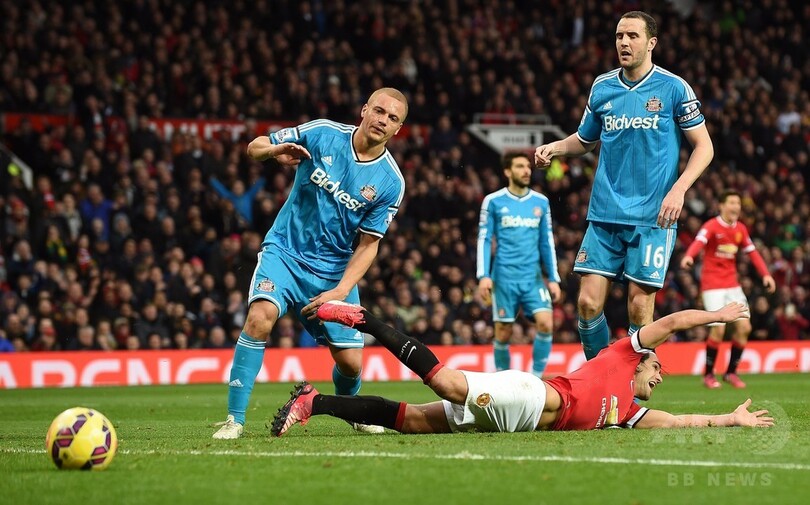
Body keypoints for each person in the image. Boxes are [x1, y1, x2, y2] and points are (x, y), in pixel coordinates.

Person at [213, 87, 409, 439]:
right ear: (364, 109)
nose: (383, 120)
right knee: (259, 318)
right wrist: (274, 151)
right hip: (285, 251)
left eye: (392, 118)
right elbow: (255, 146)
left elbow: (369, 245)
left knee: (350, 363)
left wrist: (341, 290)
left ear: (398, 129)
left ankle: (351, 410)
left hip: (332, 270)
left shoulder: (391, 182)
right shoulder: (323, 132)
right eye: (379, 111)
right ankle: (234, 419)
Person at [271, 300, 772, 436]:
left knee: (411, 421)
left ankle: (314, 402)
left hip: (515, 423)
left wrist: (730, 419)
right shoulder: (621, 355)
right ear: (641, 360)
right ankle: (366, 320)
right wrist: (719, 315)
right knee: (446, 383)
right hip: (531, 396)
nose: (659, 377)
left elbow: (682, 420)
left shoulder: (628, 414)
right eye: (657, 368)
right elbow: (673, 322)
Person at [534, 11, 714, 360]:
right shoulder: (602, 87)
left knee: (639, 309)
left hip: (653, 217)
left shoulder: (674, 88)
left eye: (632, 36)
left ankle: (633, 382)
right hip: (605, 212)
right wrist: (556, 148)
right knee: (587, 304)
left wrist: (678, 189)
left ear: (651, 42)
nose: (624, 43)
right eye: (619, 36)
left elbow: (704, 147)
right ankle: (601, 378)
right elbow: (585, 140)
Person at [680, 189, 776, 389]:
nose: (736, 207)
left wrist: (766, 274)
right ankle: (708, 375)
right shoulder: (711, 226)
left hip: (732, 285)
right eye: (732, 203)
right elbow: (699, 241)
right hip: (712, 285)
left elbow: (753, 253)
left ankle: (731, 372)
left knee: (744, 328)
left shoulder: (740, 229)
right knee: (718, 328)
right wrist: (689, 256)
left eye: (738, 203)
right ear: (721, 206)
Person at [477, 153, 561, 376]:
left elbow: (547, 241)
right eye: (520, 166)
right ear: (507, 171)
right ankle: (503, 382)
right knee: (503, 333)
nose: (526, 171)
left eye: (528, 167)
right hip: (504, 278)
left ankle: (535, 378)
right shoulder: (493, 201)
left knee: (546, 323)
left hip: (533, 278)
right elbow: (484, 238)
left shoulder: (541, 202)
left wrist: (553, 278)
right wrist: (483, 276)